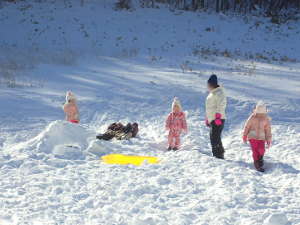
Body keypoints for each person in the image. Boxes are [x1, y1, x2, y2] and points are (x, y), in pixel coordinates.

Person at [243, 102, 272, 172]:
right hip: (252, 137)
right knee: (255, 150)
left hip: (261, 137)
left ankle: (260, 159)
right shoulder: (252, 117)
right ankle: (257, 163)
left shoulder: (266, 119)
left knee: (261, 149)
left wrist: (268, 140)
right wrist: (245, 135)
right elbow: (247, 126)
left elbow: (268, 130)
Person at [205, 74, 227, 159]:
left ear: (212, 84)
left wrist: (218, 116)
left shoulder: (219, 93)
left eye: (208, 84)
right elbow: (209, 108)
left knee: (215, 138)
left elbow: (221, 105)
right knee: (213, 137)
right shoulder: (211, 94)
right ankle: (217, 154)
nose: (207, 86)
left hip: (218, 119)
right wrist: (208, 118)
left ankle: (218, 155)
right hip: (213, 119)